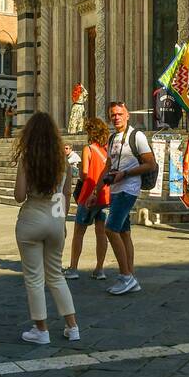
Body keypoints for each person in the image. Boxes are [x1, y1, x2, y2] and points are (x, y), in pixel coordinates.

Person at [13, 111, 80, 345]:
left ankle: (41, 330)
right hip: (55, 218)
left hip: (31, 218)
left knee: (34, 277)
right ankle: (72, 327)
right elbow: (66, 194)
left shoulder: (27, 159)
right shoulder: (64, 161)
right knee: (56, 275)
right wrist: (61, 222)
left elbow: (19, 196)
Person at [86, 101, 155, 296]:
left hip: (128, 188)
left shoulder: (137, 136)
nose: (116, 117)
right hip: (115, 189)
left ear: (127, 115)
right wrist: (95, 192)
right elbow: (107, 167)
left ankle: (126, 276)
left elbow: (150, 164)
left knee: (110, 229)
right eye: (112, 115)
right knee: (124, 233)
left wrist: (125, 174)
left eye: (119, 114)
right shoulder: (113, 138)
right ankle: (130, 276)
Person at [65, 117, 110, 281]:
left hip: (88, 196)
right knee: (101, 233)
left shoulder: (88, 149)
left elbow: (84, 173)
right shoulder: (107, 150)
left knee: (79, 232)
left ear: (90, 132)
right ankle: (99, 269)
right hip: (105, 196)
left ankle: (73, 268)